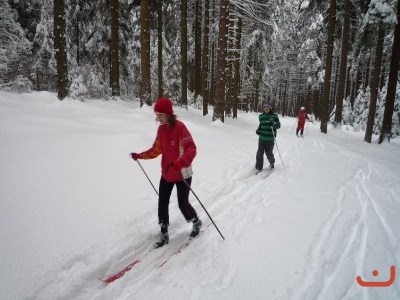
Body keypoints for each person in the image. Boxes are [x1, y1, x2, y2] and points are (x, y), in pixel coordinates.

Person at [130, 97, 202, 248]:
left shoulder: (180, 128)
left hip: (183, 173)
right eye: (157, 115)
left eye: (160, 115)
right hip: (168, 173)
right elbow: (156, 149)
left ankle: (196, 222)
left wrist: (180, 163)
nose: (158, 118)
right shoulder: (161, 130)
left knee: (183, 204)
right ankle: (164, 232)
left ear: (169, 114)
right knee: (162, 202)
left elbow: (191, 148)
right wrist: (140, 155)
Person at [255, 101, 281, 172]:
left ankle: (272, 163)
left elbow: (278, 126)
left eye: (267, 107)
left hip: (270, 139)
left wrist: (273, 123)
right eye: (264, 107)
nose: (266, 108)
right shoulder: (261, 117)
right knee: (259, 153)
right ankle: (259, 168)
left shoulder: (274, 116)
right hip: (261, 138)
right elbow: (261, 125)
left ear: (270, 108)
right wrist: (258, 130)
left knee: (269, 153)